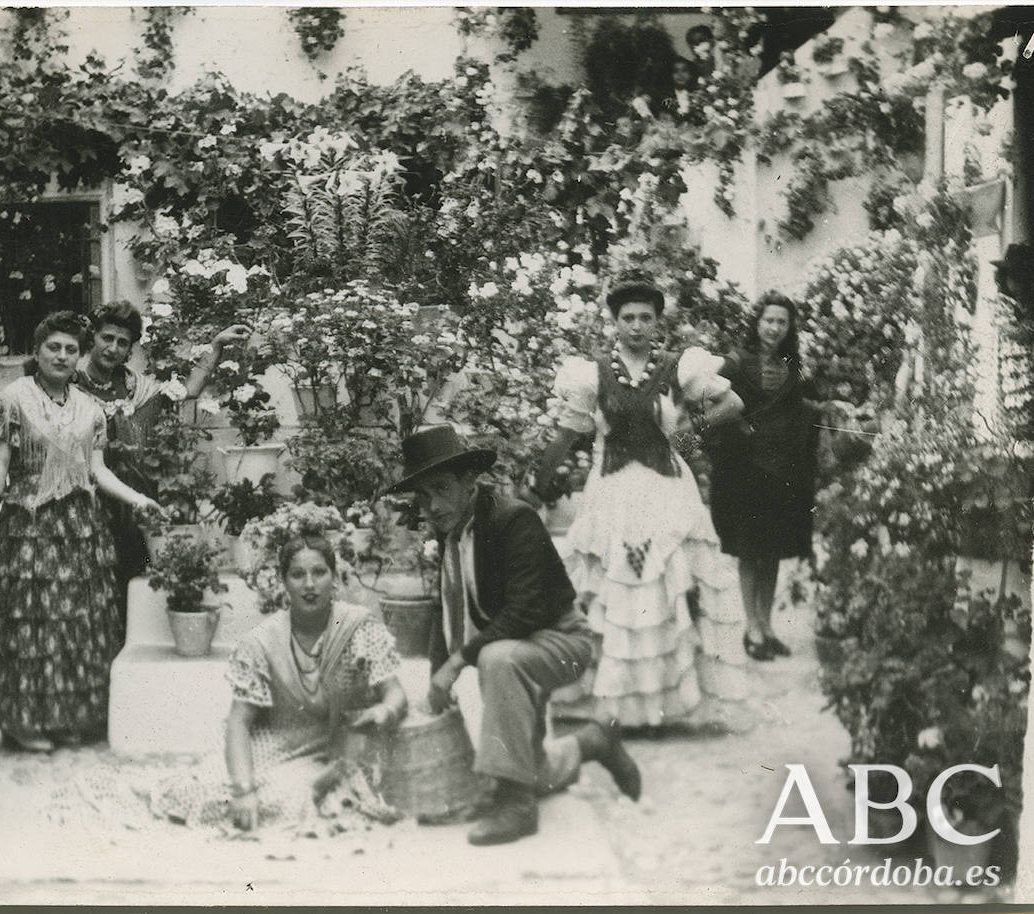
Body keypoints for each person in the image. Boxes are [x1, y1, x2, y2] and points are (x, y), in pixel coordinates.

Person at [385, 425, 642, 847]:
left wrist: (456, 662)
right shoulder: (452, 536)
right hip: (512, 649)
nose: (431, 506)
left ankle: (516, 804)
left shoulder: (511, 519)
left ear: (471, 481)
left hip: (561, 640)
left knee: (496, 659)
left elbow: (526, 611)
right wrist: (438, 679)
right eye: (423, 496)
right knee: (532, 764)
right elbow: (446, 612)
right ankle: (592, 743)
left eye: (441, 489)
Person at [534, 278, 748, 730]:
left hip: (665, 489)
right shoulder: (591, 373)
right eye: (627, 318)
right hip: (611, 491)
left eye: (645, 318)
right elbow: (568, 432)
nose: (636, 326)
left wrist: (689, 437)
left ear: (658, 323)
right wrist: (538, 480)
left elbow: (733, 403)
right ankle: (614, 706)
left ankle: (664, 705)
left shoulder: (679, 368)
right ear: (614, 323)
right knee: (612, 592)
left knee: (665, 590)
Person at [0, 311, 161, 752]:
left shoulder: (90, 410)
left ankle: (69, 718)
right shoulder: (11, 400)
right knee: (33, 623)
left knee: (75, 623)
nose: (63, 356)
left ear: (79, 356)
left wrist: (138, 499)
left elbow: (97, 470)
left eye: (72, 349)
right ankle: (26, 722)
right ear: (37, 350)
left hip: (79, 527)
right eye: (54, 347)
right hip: (30, 526)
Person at [149, 534, 408, 831]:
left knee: (295, 801)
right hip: (272, 743)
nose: (309, 585)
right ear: (283, 581)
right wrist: (243, 789)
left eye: (319, 572)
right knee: (204, 790)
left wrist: (382, 712)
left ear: (334, 577)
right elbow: (239, 722)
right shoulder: (263, 641)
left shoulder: (357, 627)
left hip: (335, 748)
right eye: (297, 574)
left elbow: (395, 693)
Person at [73, 301, 252, 645]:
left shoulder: (139, 389)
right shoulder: (71, 386)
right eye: (106, 338)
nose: (112, 348)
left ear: (130, 349)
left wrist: (214, 347)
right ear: (92, 338)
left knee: (130, 589)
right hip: (85, 503)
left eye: (122, 342)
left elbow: (188, 390)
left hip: (132, 506)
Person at [706, 293, 820, 661]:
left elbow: (806, 401)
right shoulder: (736, 362)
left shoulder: (792, 362)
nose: (774, 328)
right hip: (745, 470)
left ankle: (767, 626)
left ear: (789, 328)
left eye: (782, 322)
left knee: (771, 551)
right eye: (768, 320)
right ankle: (751, 627)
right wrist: (740, 424)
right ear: (757, 322)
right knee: (749, 550)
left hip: (783, 469)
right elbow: (713, 405)